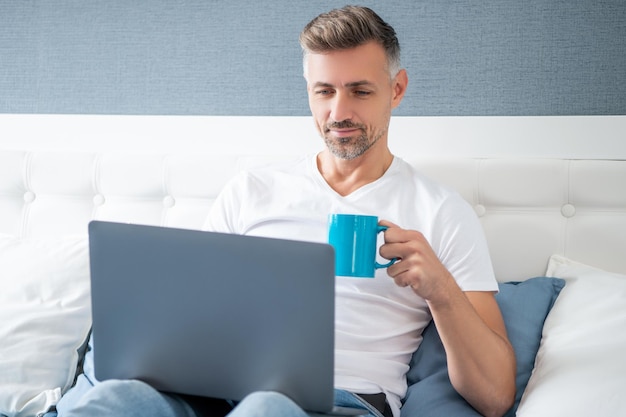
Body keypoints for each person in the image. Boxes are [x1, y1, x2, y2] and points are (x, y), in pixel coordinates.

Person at [56, 6, 516, 417]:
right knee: (111, 403)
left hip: (344, 402)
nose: (339, 111)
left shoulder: (441, 212)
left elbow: (495, 396)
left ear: (396, 90)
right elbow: (198, 310)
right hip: (215, 392)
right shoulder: (252, 190)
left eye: (359, 91)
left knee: (267, 408)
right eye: (324, 91)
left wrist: (440, 290)